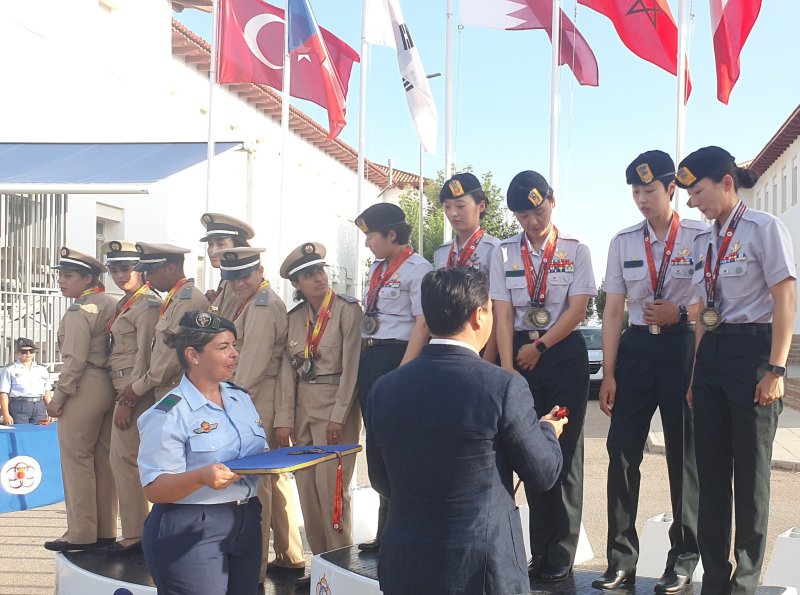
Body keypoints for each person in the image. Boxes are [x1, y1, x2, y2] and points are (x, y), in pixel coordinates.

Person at [365, 267, 566, 595]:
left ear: (427, 320)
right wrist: (547, 429)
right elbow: (543, 472)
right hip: (480, 569)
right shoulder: (503, 386)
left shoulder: (384, 388)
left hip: (405, 565)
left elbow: (380, 479)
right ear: (478, 315)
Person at [677, 146, 796, 595]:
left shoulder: (765, 229)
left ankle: (745, 576)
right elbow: (703, 312)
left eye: (699, 191)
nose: (694, 203)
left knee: (749, 475)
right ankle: (715, 575)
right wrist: (694, 375)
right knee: (710, 473)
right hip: (711, 355)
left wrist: (777, 367)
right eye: (689, 195)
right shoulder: (703, 241)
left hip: (752, 352)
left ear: (726, 183)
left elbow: (785, 299)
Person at [595, 151, 702, 592]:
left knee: (684, 458)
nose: (641, 199)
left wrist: (679, 312)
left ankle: (684, 558)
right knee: (621, 455)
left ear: (670, 188)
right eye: (636, 192)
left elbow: (711, 299)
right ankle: (621, 558)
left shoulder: (698, 235)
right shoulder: (623, 241)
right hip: (637, 351)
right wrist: (610, 371)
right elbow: (613, 309)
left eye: (649, 190)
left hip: (682, 347)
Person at [490, 170, 597, 581]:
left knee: (564, 453)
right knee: (528, 450)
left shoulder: (575, 250)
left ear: (551, 201)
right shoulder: (502, 253)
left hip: (561, 352)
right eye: (523, 215)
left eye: (538, 210)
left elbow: (578, 308)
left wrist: (540, 347)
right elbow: (501, 311)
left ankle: (562, 554)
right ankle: (540, 550)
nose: (532, 222)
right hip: (517, 352)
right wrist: (505, 366)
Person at [138, 310, 266, 595]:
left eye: (234, 345)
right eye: (223, 347)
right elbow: (155, 490)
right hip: (191, 526)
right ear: (193, 355)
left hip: (246, 520)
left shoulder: (240, 399)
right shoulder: (169, 412)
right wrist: (201, 477)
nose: (234, 354)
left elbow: (257, 452)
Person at [278, 242, 363, 586]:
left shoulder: (347, 310)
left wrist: (339, 416)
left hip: (334, 406)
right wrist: (284, 418)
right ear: (296, 284)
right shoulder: (295, 318)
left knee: (333, 493)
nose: (318, 278)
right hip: (303, 409)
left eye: (319, 271)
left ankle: (341, 571)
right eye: (308, 275)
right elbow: (287, 371)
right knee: (308, 491)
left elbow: (353, 368)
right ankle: (321, 568)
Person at [218, 246, 305, 580]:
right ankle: (290, 555)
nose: (238, 283)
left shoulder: (263, 307)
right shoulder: (253, 302)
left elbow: (249, 366)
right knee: (274, 481)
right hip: (258, 397)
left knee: (259, 485)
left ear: (259, 271)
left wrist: (223, 399)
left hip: (254, 398)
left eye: (243, 276)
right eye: (231, 278)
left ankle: (254, 567)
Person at [354, 202, 433, 552]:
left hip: (396, 357)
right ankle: (384, 530)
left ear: (391, 234)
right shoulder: (377, 268)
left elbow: (423, 322)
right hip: (370, 355)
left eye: (372, 236)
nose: (369, 243)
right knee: (377, 447)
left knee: (399, 447)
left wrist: (405, 370)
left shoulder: (419, 269)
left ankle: (399, 529)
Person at [44, 248, 118, 552]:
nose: (61, 281)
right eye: (60, 274)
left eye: (68, 275)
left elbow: (74, 360)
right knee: (101, 461)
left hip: (84, 384)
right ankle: (104, 530)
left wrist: (59, 397)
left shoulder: (79, 310)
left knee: (76, 461)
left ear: (88, 278)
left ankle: (80, 533)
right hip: (108, 385)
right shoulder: (110, 303)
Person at [101, 240, 162, 555]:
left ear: (141, 271)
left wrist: (128, 401)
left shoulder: (148, 304)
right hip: (122, 388)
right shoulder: (125, 303)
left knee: (125, 460)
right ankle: (137, 531)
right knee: (123, 461)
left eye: (126, 268)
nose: (120, 274)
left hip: (135, 393)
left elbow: (146, 356)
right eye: (114, 268)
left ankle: (137, 534)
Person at [115, 243, 210, 410]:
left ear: (171, 268)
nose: (148, 278)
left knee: (169, 435)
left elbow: (171, 357)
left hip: (177, 390)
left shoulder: (188, 301)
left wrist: (137, 389)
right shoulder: (176, 299)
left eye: (151, 272)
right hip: (167, 388)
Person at [433, 172, 502, 362]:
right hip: (447, 343)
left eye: (460, 206)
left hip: (480, 340)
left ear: (481, 206)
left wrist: (488, 358)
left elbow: (498, 309)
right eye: (447, 207)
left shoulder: (495, 250)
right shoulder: (441, 253)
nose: (453, 213)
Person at [201, 212, 253, 320]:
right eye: (210, 244)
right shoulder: (226, 281)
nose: (212, 251)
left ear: (237, 246)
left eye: (220, 244)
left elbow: (220, 325)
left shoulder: (238, 284)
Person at [0, 338, 51, 425]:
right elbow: (3, 393)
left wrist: (50, 410)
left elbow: (46, 392)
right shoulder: (10, 370)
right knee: (20, 434)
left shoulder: (42, 370)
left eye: (31, 351)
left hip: (39, 406)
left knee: (39, 433)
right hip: (19, 406)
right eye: (24, 351)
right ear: (18, 353)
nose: (28, 354)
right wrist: (5, 414)